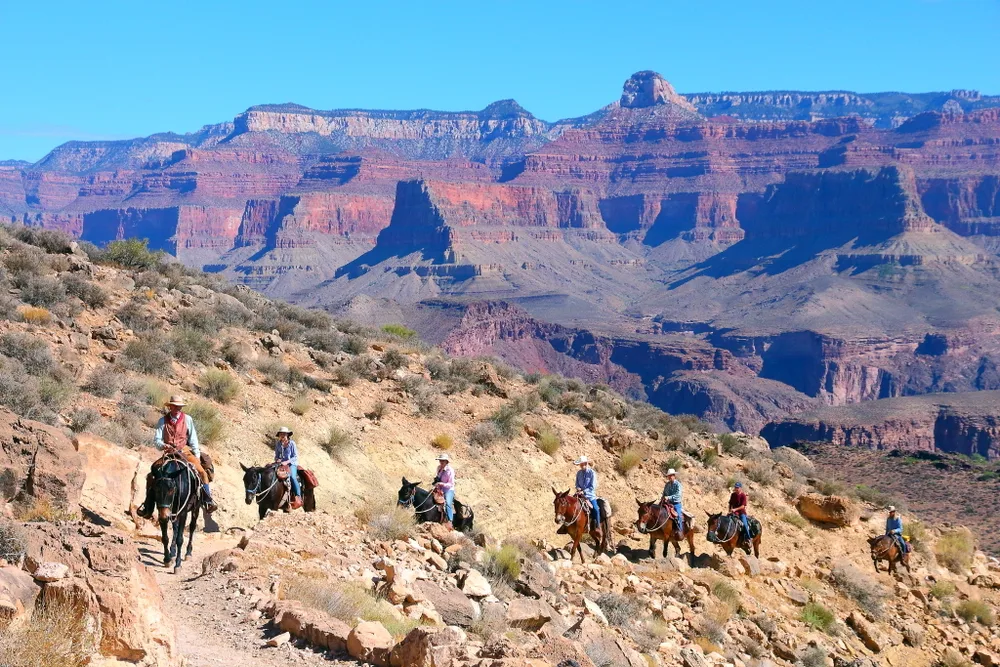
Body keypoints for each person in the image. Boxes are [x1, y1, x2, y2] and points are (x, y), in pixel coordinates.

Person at [139, 395, 217, 517]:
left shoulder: (188, 419)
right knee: (152, 474)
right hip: (169, 453)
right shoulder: (162, 421)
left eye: (180, 407)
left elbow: (193, 439)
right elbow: (157, 440)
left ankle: (207, 500)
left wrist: (196, 456)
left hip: (184, 451)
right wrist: (163, 446)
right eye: (175, 406)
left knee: (202, 473)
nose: (178, 409)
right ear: (170, 407)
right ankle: (148, 506)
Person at [273, 427, 302, 510]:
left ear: (287, 435)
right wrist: (277, 459)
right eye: (281, 434)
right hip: (281, 463)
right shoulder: (278, 444)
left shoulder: (292, 444)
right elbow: (276, 456)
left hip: (291, 464)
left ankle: (298, 496)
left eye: (284, 434)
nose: (282, 436)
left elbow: (295, 457)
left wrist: (287, 462)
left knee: (292, 477)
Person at [574, 455, 600, 529]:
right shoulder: (578, 473)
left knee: (596, 509)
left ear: (586, 463)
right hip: (579, 494)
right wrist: (578, 488)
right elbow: (577, 484)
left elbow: (593, 486)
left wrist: (584, 491)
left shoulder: (592, 473)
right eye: (580, 464)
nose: (581, 466)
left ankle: (598, 526)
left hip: (590, 495)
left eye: (582, 464)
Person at [433, 453, 455, 524]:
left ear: (446, 461)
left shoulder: (450, 470)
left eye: (443, 460)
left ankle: (450, 521)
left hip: (448, 490)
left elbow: (451, 484)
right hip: (440, 488)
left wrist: (441, 484)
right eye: (440, 460)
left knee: (448, 503)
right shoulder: (439, 468)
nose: (441, 462)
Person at [661, 468, 683, 534]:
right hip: (667, 503)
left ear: (674, 476)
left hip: (676, 503)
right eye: (669, 476)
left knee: (678, 515)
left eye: (671, 475)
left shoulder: (678, 484)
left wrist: (668, 497)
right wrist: (663, 498)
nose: (670, 477)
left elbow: (678, 495)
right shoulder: (667, 484)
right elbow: (664, 493)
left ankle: (680, 530)